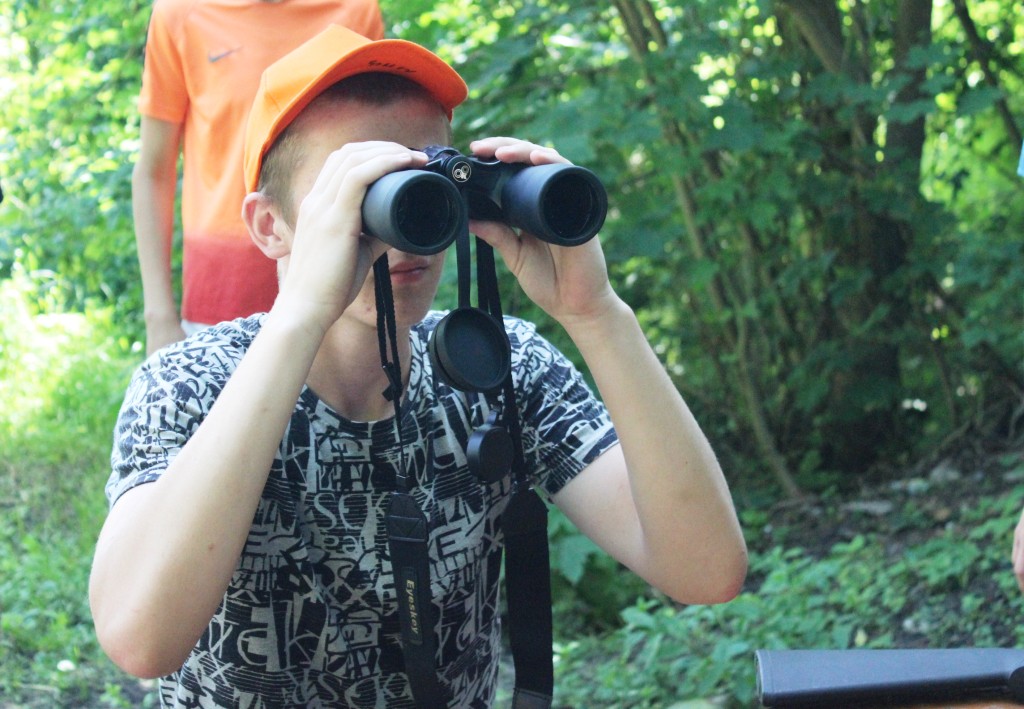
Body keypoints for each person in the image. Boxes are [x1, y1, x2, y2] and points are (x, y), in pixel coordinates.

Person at [90, 25, 748, 708]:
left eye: (424, 185)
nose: (403, 228)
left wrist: (597, 314)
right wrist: (300, 316)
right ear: (269, 226)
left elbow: (705, 571)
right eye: (362, 192)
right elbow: (140, 640)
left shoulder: (502, 368)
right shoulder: (188, 384)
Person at [133, 0, 384, 355]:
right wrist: (159, 318)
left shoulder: (356, 10)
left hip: (338, 292)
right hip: (221, 297)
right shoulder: (180, 12)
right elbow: (153, 171)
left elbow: (374, 145)